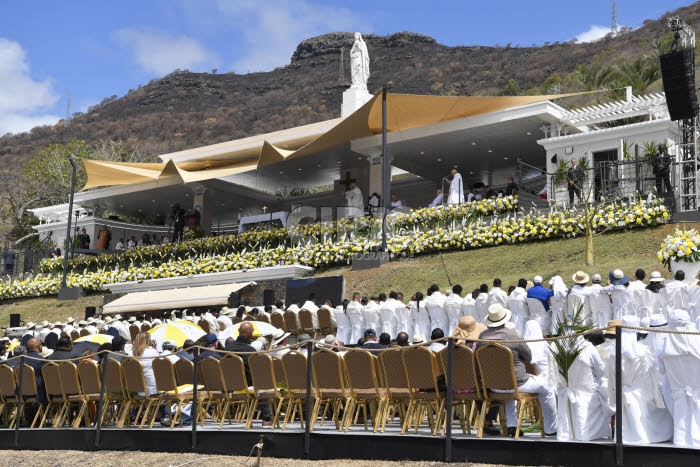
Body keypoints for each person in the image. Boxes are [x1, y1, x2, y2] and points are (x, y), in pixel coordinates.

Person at [478, 304, 557, 436]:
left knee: (509, 384)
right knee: (547, 388)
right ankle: (551, 428)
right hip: (516, 382)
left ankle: (512, 426)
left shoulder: (481, 337)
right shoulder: (512, 335)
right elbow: (528, 356)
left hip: (493, 385)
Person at [607, 315, 673, 444]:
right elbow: (655, 371)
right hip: (643, 391)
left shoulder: (611, 352)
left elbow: (610, 376)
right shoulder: (643, 351)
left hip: (622, 391)